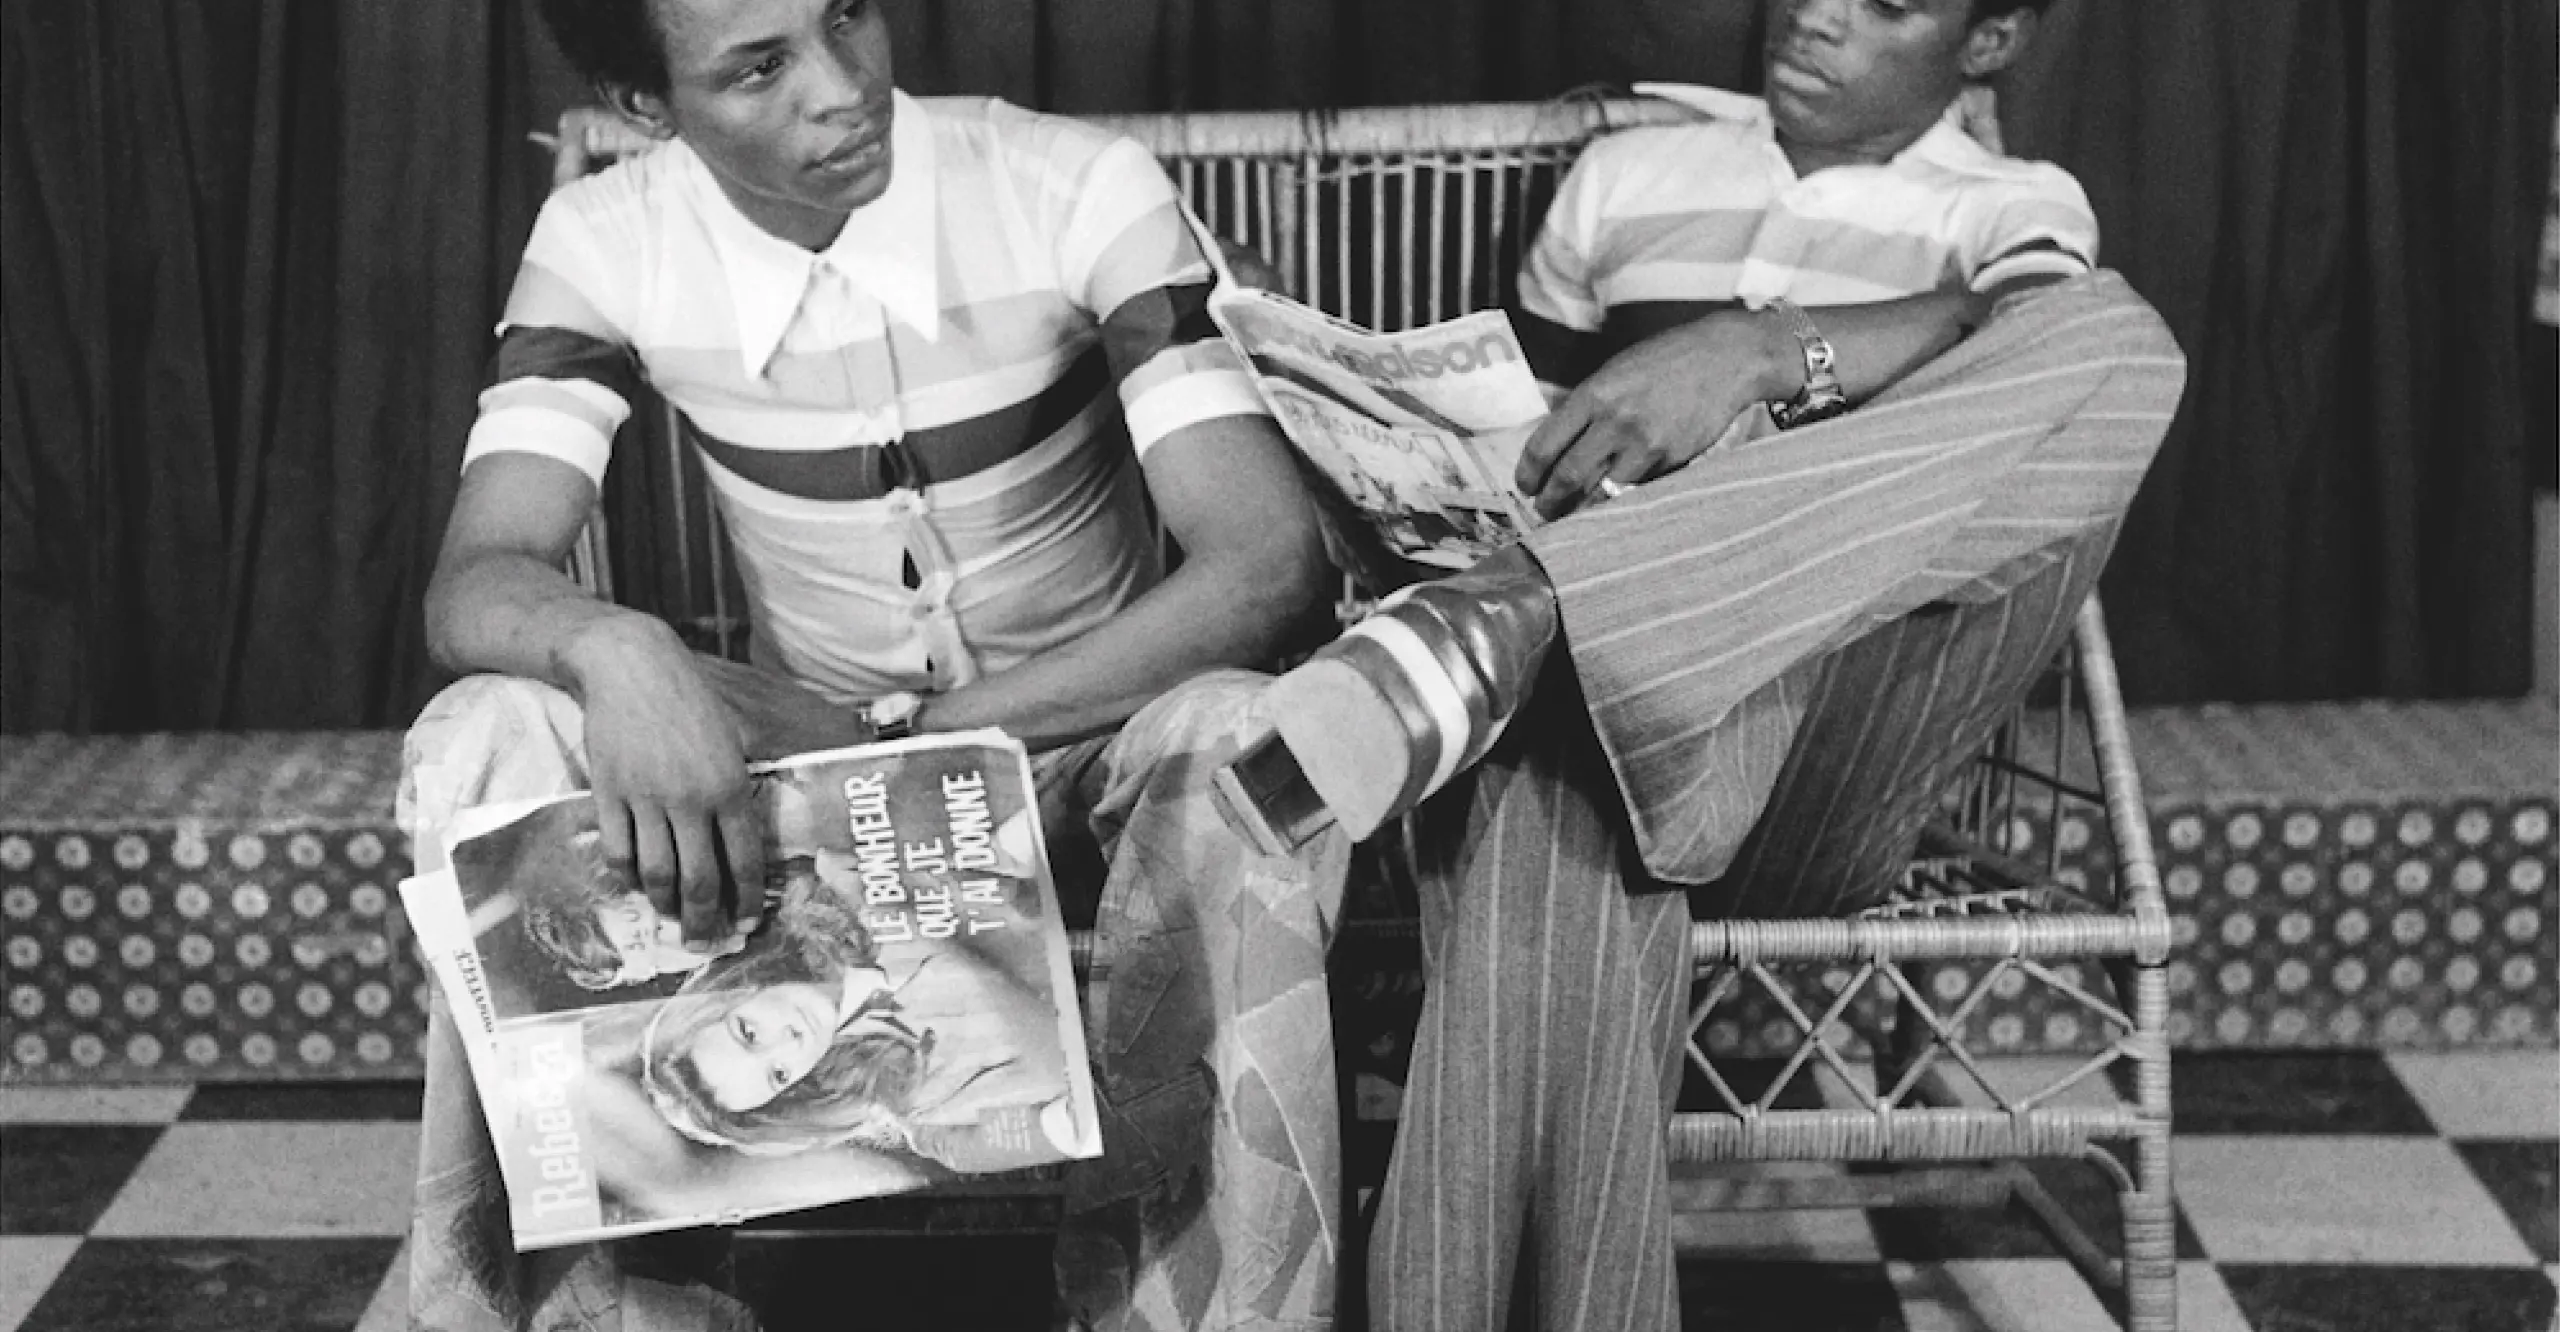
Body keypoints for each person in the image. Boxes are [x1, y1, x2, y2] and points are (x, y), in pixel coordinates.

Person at [1215, 1, 2187, 1327]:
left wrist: (1765, 357)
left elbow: (2030, 374)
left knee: (2114, 342)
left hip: (1835, 733)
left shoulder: (2009, 208)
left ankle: (1534, 616)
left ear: (1990, 42)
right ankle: (1530, 614)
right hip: (1604, 743)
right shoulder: (1626, 178)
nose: (1821, 11)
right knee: (1552, 802)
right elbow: (1526, 446)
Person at [400, 0, 1353, 1328]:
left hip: (1099, 769)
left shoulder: (1068, 184)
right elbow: (477, 580)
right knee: (483, 726)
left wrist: (935, 737)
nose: (846, 88)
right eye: (757, 67)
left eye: (847, 13)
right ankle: (564, 1310)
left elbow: (1265, 565)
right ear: (646, 110)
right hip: (793, 807)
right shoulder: (606, 239)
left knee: (1240, 730)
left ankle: (1195, 1311)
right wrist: (616, 646)